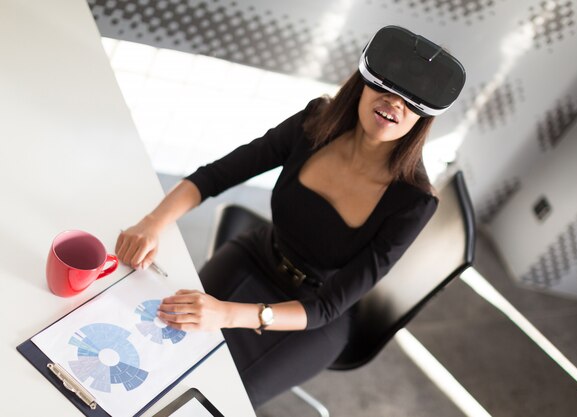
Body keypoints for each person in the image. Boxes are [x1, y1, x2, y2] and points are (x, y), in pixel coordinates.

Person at [115, 26, 464, 408]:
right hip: (258, 255)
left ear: (424, 117)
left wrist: (226, 314)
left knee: (209, 400)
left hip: (312, 313)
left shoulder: (412, 202)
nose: (395, 104)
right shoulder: (314, 122)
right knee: (152, 344)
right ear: (364, 81)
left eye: (412, 102)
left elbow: (328, 307)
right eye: (388, 87)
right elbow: (216, 176)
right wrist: (152, 223)